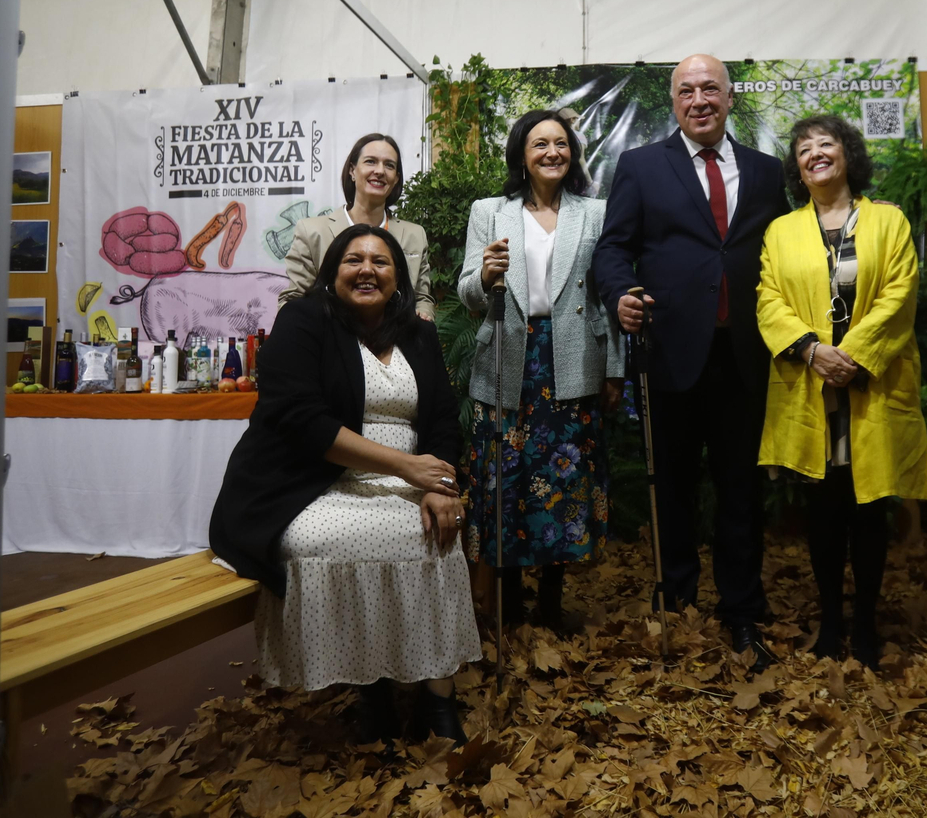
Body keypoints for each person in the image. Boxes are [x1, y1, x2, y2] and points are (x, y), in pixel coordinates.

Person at [209, 225, 477, 744]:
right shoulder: (304, 322)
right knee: (322, 540)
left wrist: (440, 485)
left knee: (438, 534)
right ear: (332, 273)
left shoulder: (418, 334)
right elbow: (300, 420)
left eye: (381, 262)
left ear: (398, 277)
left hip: (412, 474)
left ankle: (437, 697)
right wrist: (407, 468)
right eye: (353, 259)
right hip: (309, 476)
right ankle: (369, 686)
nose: (367, 270)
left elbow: (443, 419)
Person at [593, 53, 789, 668]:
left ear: (729, 98)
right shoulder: (640, 166)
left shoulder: (765, 171)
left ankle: (741, 609)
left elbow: (784, 251)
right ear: (673, 102)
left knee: (740, 488)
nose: (699, 99)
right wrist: (620, 294)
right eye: (687, 91)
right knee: (672, 486)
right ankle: (676, 601)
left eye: (710, 88)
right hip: (669, 352)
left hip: (745, 356)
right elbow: (613, 250)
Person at [755, 115, 927, 669]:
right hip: (812, 389)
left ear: (848, 155)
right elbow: (768, 300)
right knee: (825, 511)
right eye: (804, 150)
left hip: (870, 384)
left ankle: (867, 625)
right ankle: (830, 621)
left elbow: (899, 294)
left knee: (870, 509)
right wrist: (810, 350)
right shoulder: (780, 232)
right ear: (797, 169)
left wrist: (854, 356)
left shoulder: (889, 222)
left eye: (826, 145)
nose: (815, 154)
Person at [457, 110, 623, 631]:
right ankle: (506, 601)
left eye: (560, 143)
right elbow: (466, 296)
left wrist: (614, 368)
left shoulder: (594, 213)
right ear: (521, 155)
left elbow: (604, 298)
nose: (552, 152)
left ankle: (551, 603)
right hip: (507, 357)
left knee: (565, 481)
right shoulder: (489, 211)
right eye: (539, 144)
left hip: (572, 357)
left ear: (571, 152)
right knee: (505, 481)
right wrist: (483, 275)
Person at [278, 133, 435, 319]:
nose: (380, 171)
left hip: (394, 341)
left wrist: (424, 313)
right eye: (370, 161)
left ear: (396, 179)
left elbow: (422, 297)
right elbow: (293, 299)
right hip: (329, 341)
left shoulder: (415, 235)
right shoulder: (312, 232)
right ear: (352, 170)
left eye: (389, 165)